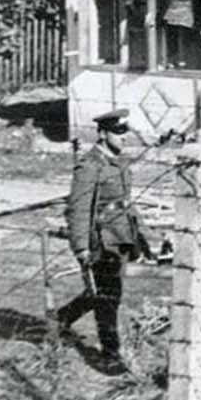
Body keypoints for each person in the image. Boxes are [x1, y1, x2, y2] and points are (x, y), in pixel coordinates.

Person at [57, 108, 152, 374]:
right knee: (109, 297)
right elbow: (79, 208)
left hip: (120, 237)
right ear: (101, 134)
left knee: (105, 292)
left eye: (125, 132)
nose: (123, 138)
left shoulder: (117, 162)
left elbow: (127, 205)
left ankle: (64, 316)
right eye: (117, 132)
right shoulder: (90, 166)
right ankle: (111, 356)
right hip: (100, 241)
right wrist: (81, 247)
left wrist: (143, 237)